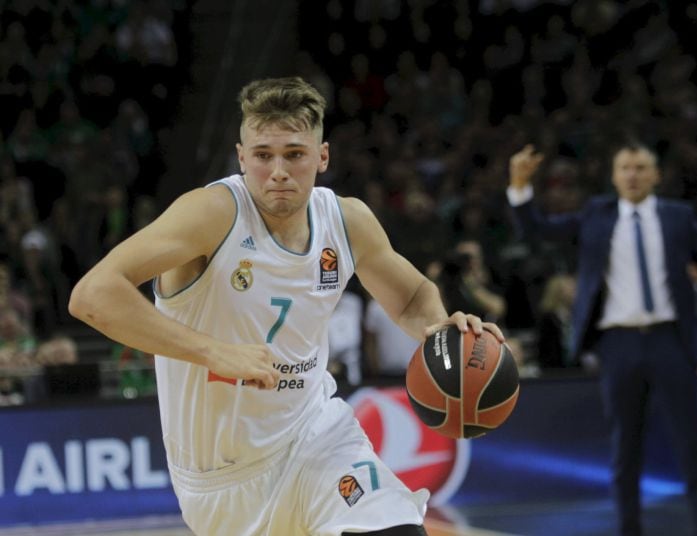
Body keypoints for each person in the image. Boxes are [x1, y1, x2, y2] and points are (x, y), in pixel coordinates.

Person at [69, 76, 506, 536]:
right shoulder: (211, 214)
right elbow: (93, 296)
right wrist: (213, 351)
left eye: (294, 154)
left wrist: (441, 330)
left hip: (318, 437)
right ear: (242, 158)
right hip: (222, 481)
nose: (278, 170)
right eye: (263, 156)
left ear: (322, 156)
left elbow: (413, 296)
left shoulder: (346, 219)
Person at [506, 142, 697, 536]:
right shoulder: (597, 214)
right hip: (618, 344)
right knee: (624, 449)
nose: (633, 174)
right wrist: (519, 186)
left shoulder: (678, 216)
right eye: (625, 168)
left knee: (691, 446)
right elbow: (537, 229)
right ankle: (629, 530)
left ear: (656, 175)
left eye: (641, 167)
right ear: (614, 176)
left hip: (671, 340)